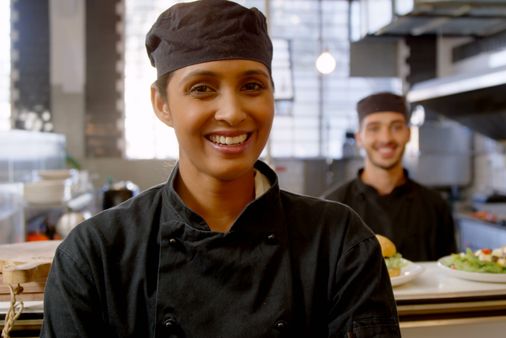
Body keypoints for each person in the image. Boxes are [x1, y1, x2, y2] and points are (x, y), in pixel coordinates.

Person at [40, 1, 400, 337]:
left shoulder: (340, 245)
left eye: (252, 86)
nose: (232, 111)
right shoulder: (94, 255)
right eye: (202, 88)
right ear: (162, 104)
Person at [323, 92, 457, 262]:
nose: (386, 138)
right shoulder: (333, 207)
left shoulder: (436, 206)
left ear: (408, 134)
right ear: (359, 138)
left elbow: (449, 275)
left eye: (396, 127)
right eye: (374, 128)